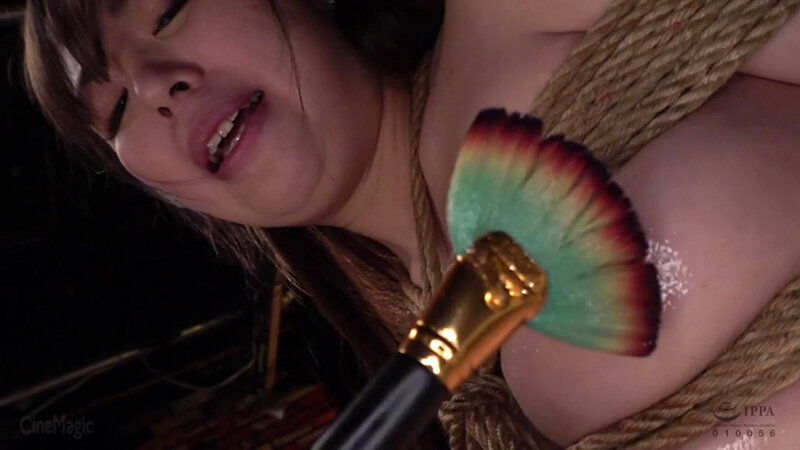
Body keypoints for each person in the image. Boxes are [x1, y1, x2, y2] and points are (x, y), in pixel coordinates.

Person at [23, 0, 800, 448]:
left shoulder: (510, 13)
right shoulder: (452, 406)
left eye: (168, 8)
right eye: (115, 111)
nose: (154, 84)